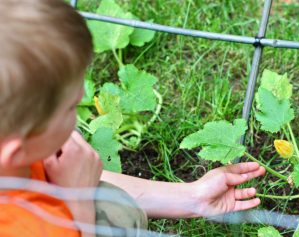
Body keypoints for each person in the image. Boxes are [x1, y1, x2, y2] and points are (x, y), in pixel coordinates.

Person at [0, 0, 266, 236]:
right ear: (16, 152)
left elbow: (73, 174)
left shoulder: (14, 143)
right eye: (71, 108)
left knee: (110, 200)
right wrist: (78, 203)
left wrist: (192, 198)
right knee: (118, 217)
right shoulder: (29, 227)